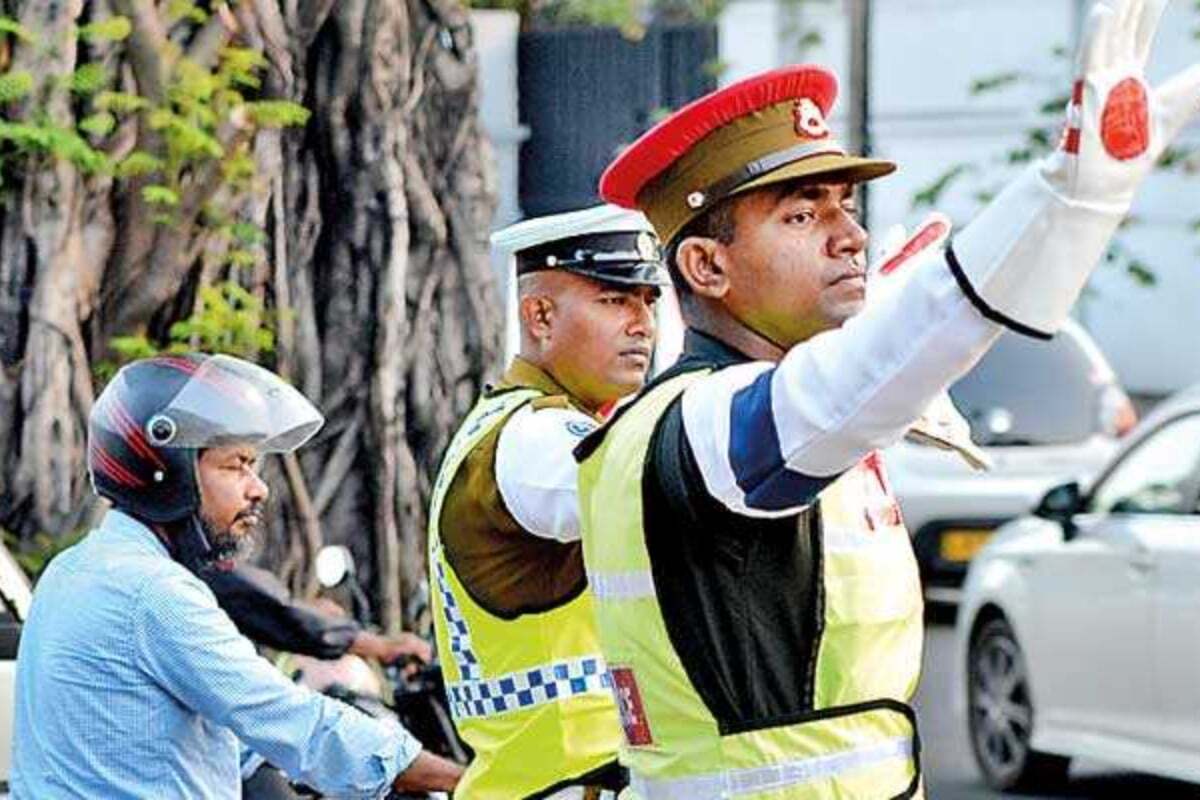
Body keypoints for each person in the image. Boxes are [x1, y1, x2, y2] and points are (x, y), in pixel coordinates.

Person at [571, 1, 1200, 797]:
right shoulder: (701, 423)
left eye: (848, 206)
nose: (851, 236)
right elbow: (871, 368)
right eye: (803, 214)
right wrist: (1061, 198)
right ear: (706, 267)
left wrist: (1084, 209)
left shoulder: (752, 409)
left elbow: (892, 360)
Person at [11, 353, 461, 798]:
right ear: (167, 471)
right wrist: (463, 780)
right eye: (235, 465)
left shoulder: (70, 570)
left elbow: (211, 735)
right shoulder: (153, 592)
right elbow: (300, 725)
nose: (258, 488)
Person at [426, 205, 667, 799]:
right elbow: (663, 497)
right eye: (615, 300)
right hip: (566, 783)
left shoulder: (516, 423)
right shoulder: (535, 437)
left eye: (648, 301)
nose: (642, 324)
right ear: (539, 316)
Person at [206, 563, 433, 665]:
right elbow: (276, 610)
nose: (258, 490)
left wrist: (308, 610)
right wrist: (381, 646)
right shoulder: (195, 565)